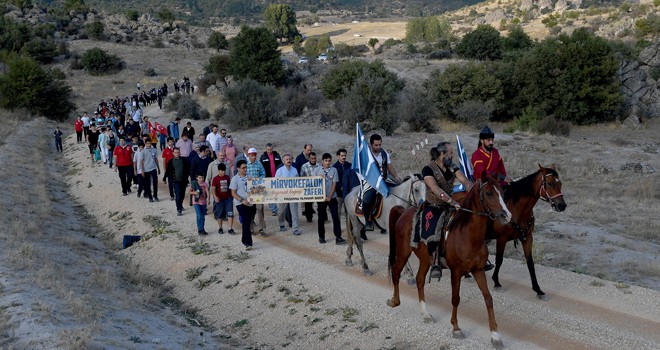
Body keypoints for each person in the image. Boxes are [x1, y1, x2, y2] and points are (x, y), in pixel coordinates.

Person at [422, 142, 474, 279]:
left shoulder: (452, 165)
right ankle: (434, 263)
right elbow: (435, 189)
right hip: (434, 205)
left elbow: (463, 179)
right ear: (442, 154)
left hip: (450, 204)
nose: (452, 155)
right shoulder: (428, 169)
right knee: (435, 229)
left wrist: (472, 187)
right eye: (450, 153)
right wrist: (452, 202)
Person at [361, 134, 401, 231]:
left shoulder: (384, 153)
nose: (379, 147)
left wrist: (396, 176)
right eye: (376, 145)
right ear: (371, 144)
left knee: (398, 190)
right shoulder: (366, 155)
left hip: (384, 179)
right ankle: (368, 221)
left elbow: (389, 166)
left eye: (380, 145)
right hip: (371, 182)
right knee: (367, 198)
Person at [314, 153, 347, 245]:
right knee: (321, 218)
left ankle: (338, 237)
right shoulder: (317, 170)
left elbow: (334, 184)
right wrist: (322, 196)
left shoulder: (334, 170)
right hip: (321, 198)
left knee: (335, 217)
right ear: (322, 161)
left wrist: (329, 196)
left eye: (329, 160)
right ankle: (321, 237)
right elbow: (315, 183)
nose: (327, 162)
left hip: (332, 197)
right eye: (326, 160)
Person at [230, 159, 255, 250]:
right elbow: (233, 193)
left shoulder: (249, 177)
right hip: (240, 203)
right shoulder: (235, 179)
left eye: (246, 167)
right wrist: (242, 200)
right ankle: (248, 243)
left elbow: (254, 188)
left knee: (249, 220)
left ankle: (244, 238)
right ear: (238, 169)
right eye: (243, 168)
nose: (245, 169)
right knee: (246, 220)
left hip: (250, 202)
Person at [275, 154, 301, 235]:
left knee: (294, 212)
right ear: (283, 161)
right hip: (282, 194)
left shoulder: (295, 170)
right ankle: (282, 224)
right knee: (281, 211)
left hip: (293, 194)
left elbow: (298, 181)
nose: (289, 161)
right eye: (287, 159)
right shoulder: (279, 171)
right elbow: (275, 182)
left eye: (290, 159)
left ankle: (295, 228)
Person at [246, 148, 267, 235]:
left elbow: (263, 173)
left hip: (258, 189)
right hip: (249, 190)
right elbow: (242, 176)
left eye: (255, 155)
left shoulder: (259, 164)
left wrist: (259, 180)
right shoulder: (246, 165)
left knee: (260, 208)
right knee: (251, 209)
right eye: (252, 155)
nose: (254, 157)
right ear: (249, 156)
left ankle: (261, 228)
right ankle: (251, 227)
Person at [259, 143, 282, 216]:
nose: (270, 151)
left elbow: (281, 165)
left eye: (271, 149)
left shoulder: (277, 155)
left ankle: (274, 206)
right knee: (270, 194)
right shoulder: (263, 157)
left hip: (276, 178)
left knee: (276, 193)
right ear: (266, 149)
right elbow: (261, 168)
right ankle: (274, 209)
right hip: (267, 178)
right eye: (268, 149)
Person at [165, 147, 189, 216]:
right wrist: (164, 178)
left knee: (182, 194)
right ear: (173, 153)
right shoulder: (171, 161)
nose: (177, 154)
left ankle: (180, 204)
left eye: (178, 152)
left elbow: (188, 169)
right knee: (178, 194)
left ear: (180, 153)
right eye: (175, 152)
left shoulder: (184, 160)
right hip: (176, 181)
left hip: (183, 180)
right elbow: (168, 170)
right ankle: (179, 209)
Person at [211, 163, 234, 235]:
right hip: (220, 199)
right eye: (221, 171)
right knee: (219, 214)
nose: (223, 172)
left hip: (228, 198)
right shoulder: (215, 179)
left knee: (230, 213)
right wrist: (215, 197)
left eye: (224, 170)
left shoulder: (227, 177)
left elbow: (230, 186)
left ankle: (230, 228)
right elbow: (213, 189)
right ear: (218, 170)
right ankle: (220, 227)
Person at [300, 152, 320, 223]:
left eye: (314, 158)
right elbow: (301, 177)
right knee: (308, 203)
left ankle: (322, 217)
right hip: (308, 187)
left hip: (318, 187)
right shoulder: (304, 166)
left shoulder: (319, 166)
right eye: (312, 158)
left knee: (320, 203)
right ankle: (309, 217)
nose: (313, 160)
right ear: (309, 158)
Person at [333, 148, 351, 217]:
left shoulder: (349, 165)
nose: (344, 157)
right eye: (342, 155)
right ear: (338, 156)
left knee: (349, 210)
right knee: (338, 210)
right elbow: (335, 180)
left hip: (349, 191)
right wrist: (340, 186)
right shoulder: (334, 167)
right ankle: (338, 226)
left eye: (345, 155)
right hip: (339, 193)